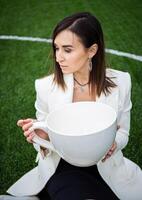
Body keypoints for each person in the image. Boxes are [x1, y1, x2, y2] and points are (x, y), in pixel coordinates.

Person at [1, 12, 142, 200]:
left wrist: (114, 143)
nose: (58, 57)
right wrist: (41, 137)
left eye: (67, 50)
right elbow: (46, 143)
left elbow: (124, 132)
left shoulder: (121, 82)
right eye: (56, 48)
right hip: (63, 167)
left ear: (92, 50)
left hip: (106, 168)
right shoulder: (44, 86)